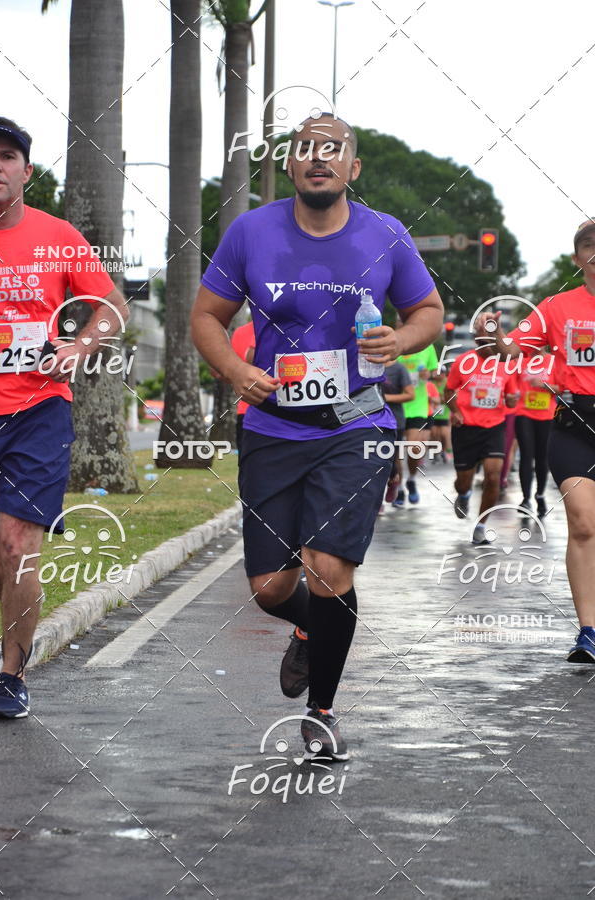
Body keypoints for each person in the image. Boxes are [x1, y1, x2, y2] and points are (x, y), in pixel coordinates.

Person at [191, 113, 443, 759]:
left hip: (357, 422)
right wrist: (236, 369)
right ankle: (310, 631)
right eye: (306, 149)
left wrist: (403, 338)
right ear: (291, 165)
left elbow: (429, 312)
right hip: (275, 427)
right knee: (272, 587)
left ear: (352, 168)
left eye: (333, 150)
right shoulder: (250, 232)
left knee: (329, 569)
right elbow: (207, 318)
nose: (319, 158)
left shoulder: (385, 235)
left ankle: (322, 712)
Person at [0, 117, 128, 718]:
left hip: (38, 410)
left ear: (26, 171)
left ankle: (11, 675)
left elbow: (110, 307)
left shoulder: (59, 238)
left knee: (17, 542)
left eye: (6, 156)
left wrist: (79, 346)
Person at [475, 220, 595, 662]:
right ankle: (589, 631)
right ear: (578, 258)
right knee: (583, 522)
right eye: (591, 248)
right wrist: (492, 333)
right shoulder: (556, 308)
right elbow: (508, 350)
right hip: (574, 425)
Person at [444, 337, 518, 544]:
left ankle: (481, 526)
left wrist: (512, 400)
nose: (493, 347)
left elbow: (511, 397)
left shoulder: (506, 366)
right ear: (479, 343)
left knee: (493, 477)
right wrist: (456, 411)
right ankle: (464, 494)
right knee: (463, 482)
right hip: (466, 428)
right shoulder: (463, 362)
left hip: (494, 427)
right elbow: (448, 391)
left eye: (495, 343)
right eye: (488, 343)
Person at [514, 351, 558, 516]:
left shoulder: (552, 362)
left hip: (546, 415)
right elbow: (510, 383)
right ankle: (525, 499)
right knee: (526, 454)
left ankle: (540, 495)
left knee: (542, 457)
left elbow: (561, 389)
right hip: (523, 412)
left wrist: (543, 385)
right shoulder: (520, 361)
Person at [397, 346, 439, 504]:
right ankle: (399, 488)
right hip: (396, 406)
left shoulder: (427, 347)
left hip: (418, 406)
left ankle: (412, 479)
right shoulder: (396, 342)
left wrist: (429, 375)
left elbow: (435, 372)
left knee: (415, 448)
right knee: (395, 453)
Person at [381, 360, 414, 508]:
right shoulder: (364, 364)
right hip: (370, 419)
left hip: (394, 420)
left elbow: (410, 394)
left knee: (392, 459)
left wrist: (384, 398)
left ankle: (395, 482)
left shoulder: (398, 368)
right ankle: (377, 499)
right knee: (372, 459)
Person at [230, 319, 255, 453]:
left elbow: (222, 372)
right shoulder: (280, 327)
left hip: (245, 412)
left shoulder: (240, 332)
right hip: (257, 413)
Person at [430, 370, 452, 463]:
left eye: (442, 372)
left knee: (444, 433)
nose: (439, 375)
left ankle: (446, 452)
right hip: (433, 411)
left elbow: (451, 396)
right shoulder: (431, 384)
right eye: (437, 373)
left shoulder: (448, 382)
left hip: (445, 411)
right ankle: (435, 453)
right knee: (434, 434)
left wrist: (439, 399)